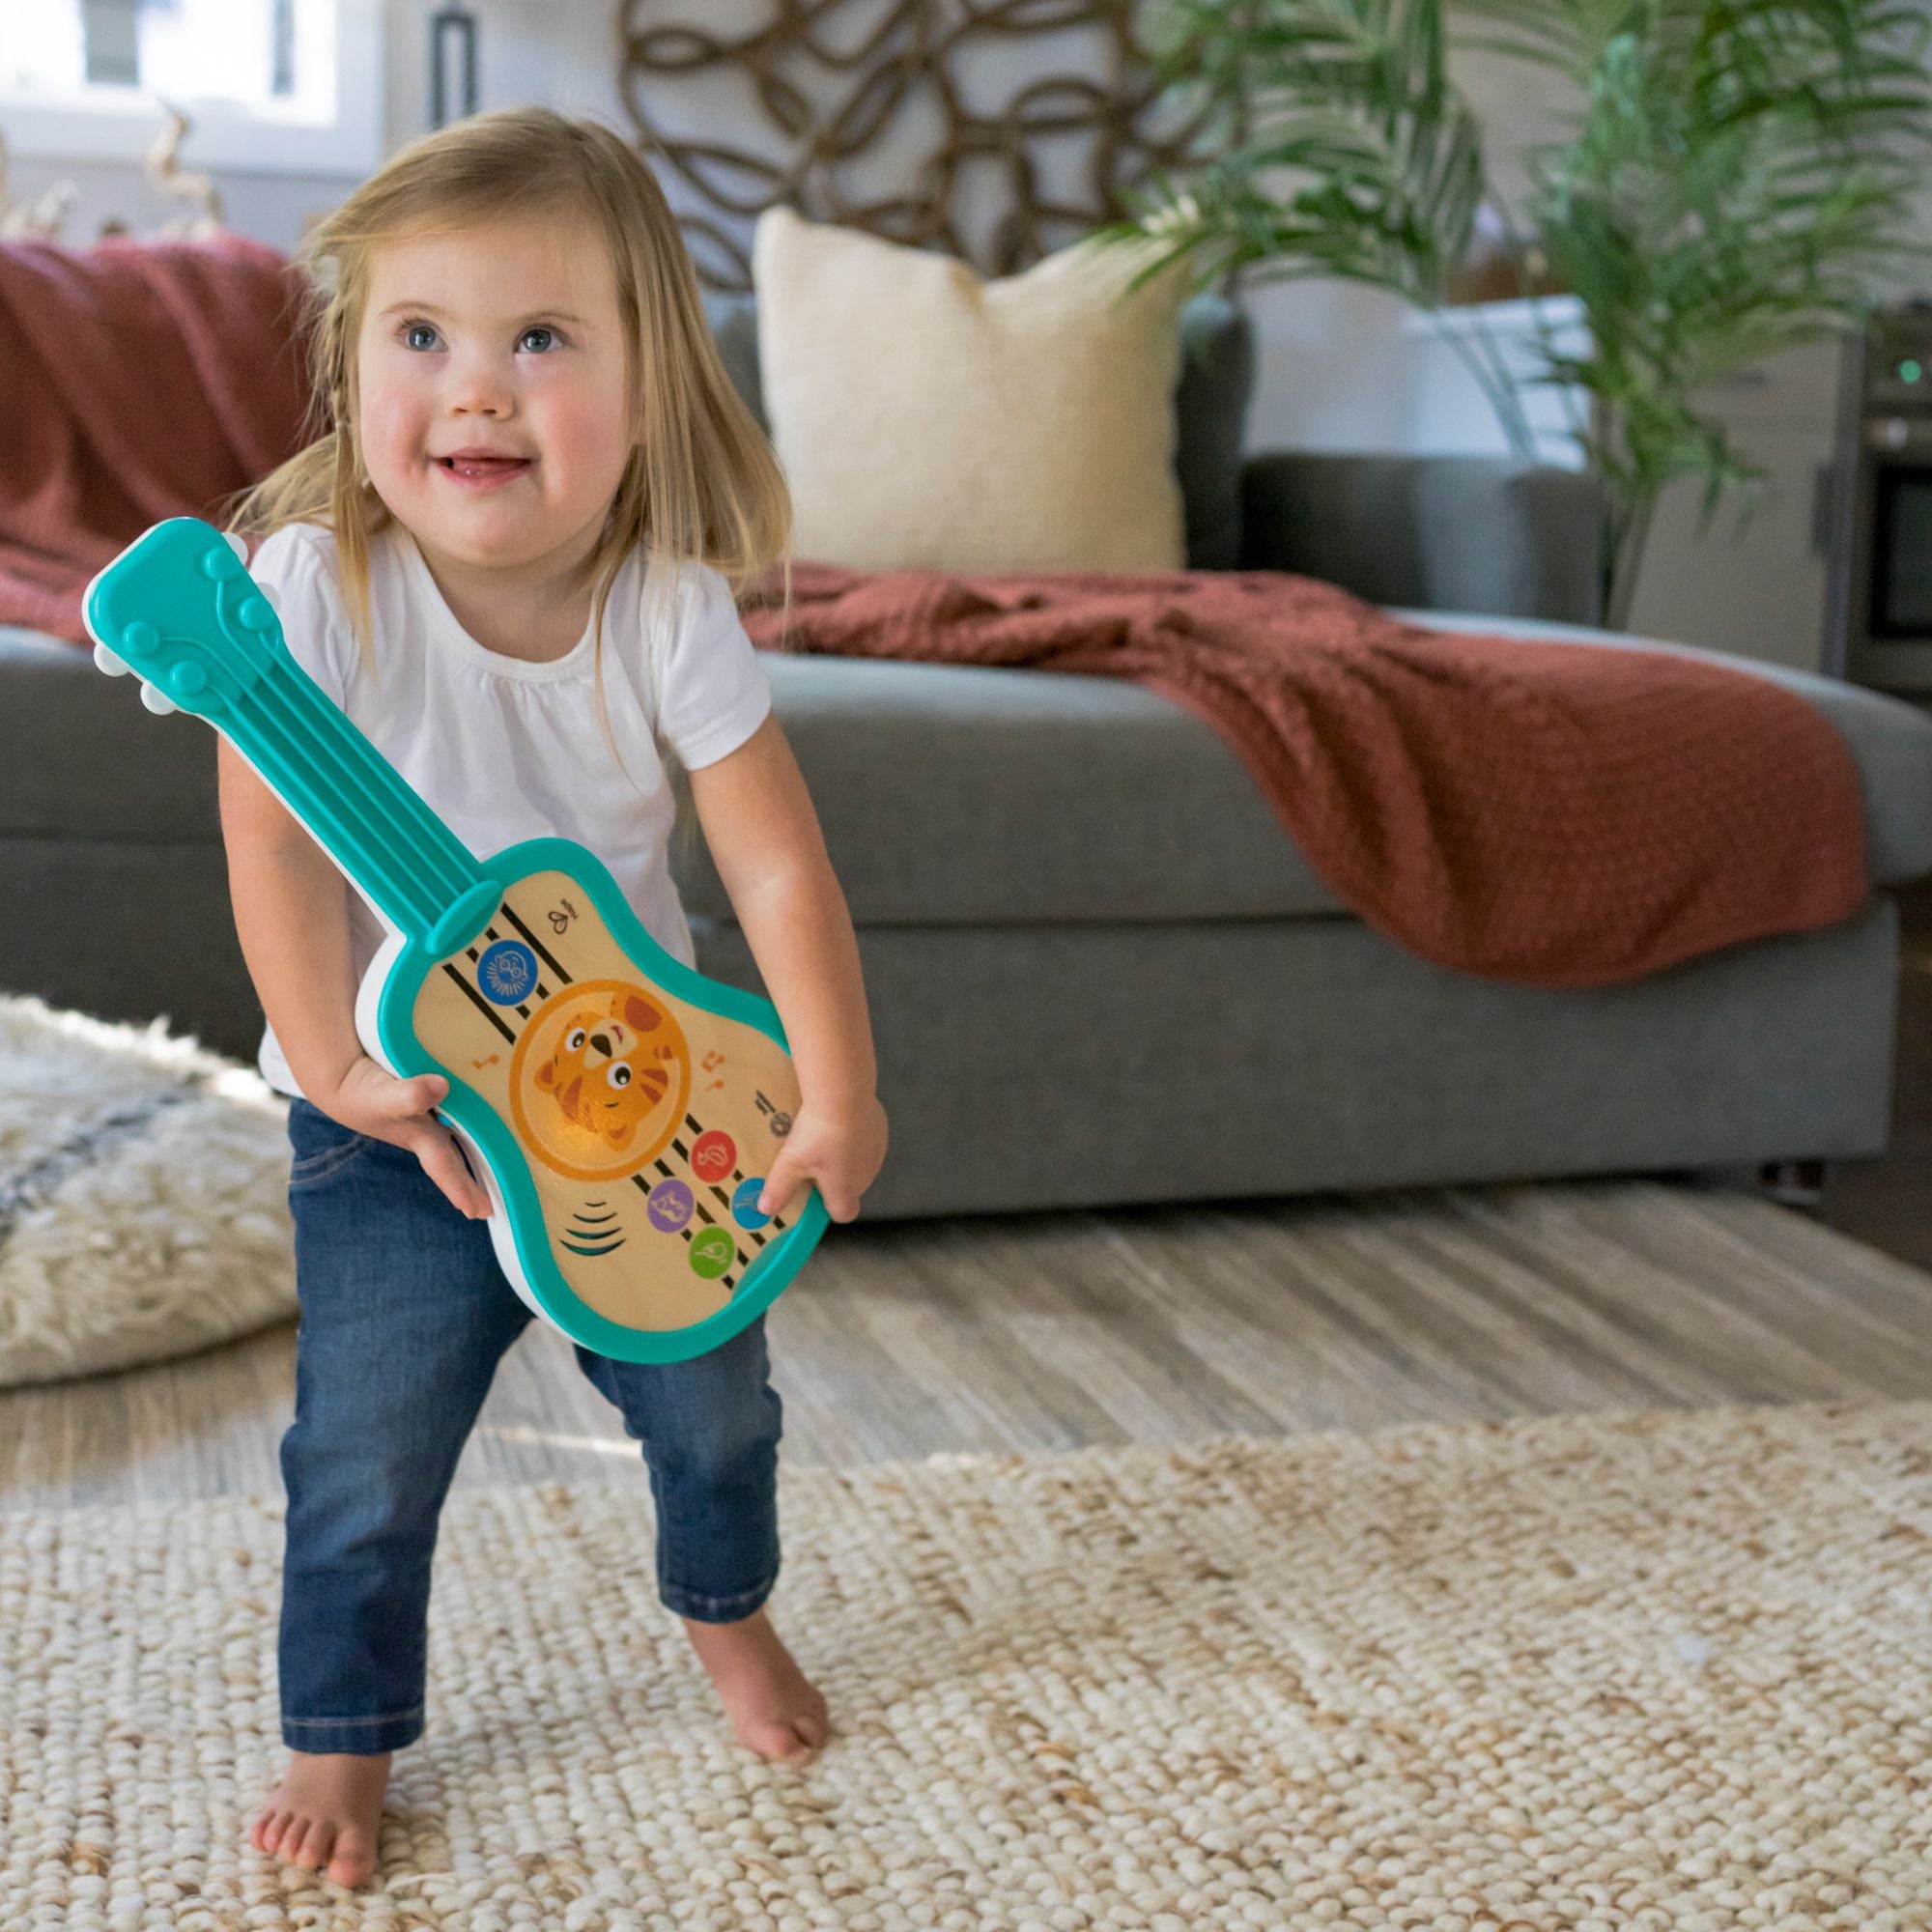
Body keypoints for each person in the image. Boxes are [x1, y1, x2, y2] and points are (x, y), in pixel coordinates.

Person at [220, 106, 889, 1890]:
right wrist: (322, 1066)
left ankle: (722, 1608)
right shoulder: (313, 593)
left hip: (643, 1108)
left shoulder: (667, 610)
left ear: (650, 389)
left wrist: (839, 1086)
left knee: (716, 1406)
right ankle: (340, 1732)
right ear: (354, 373)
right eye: (420, 337)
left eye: (541, 339)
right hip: (410, 1132)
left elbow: (774, 872)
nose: (478, 391)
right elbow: (276, 854)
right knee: (362, 1450)